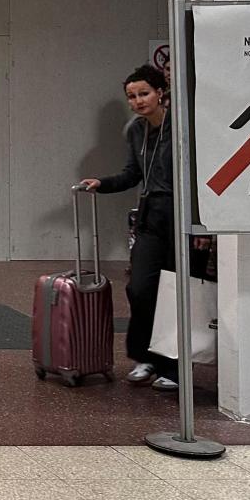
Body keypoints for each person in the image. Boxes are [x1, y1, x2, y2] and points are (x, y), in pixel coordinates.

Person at [78, 64, 186, 391]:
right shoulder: (137, 131)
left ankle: (173, 365)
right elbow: (132, 174)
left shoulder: (181, 127)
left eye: (144, 94)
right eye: (132, 96)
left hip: (178, 215)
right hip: (151, 214)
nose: (138, 101)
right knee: (139, 288)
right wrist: (103, 183)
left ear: (160, 93)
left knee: (175, 293)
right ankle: (145, 357)